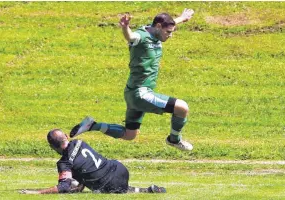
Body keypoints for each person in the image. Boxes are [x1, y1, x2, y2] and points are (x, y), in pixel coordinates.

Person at [70, 9, 195, 151]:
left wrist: (182, 18)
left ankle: (93, 125)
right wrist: (125, 28)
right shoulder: (141, 37)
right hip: (140, 93)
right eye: (168, 32)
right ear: (159, 27)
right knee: (182, 107)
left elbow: (170, 24)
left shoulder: (155, 30)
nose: (170, 35)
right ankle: (174, 140)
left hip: (131, 92)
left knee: (130, 134)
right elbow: (131, 37)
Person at [20, 129, 166, 194]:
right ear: (66, 136)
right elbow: (86, 165)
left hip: (109, 184)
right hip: (120, 169)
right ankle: (146, 190)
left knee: (108, 185)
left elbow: (63, 187)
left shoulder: (64, 163)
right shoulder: (79, 142)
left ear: (52, 147)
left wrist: (37, 193)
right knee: (118, 185)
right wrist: (80, 185)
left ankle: (142, 190)